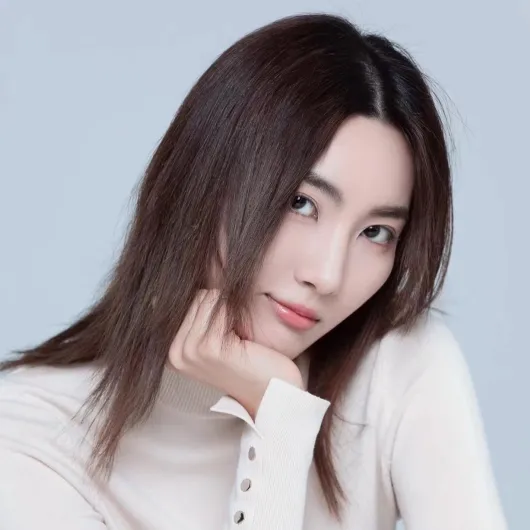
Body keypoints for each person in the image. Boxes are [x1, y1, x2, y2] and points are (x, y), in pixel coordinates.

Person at [0, 12, 507, 530]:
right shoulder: (29, 437)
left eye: (376, 232)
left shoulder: (396, 368)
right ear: (202, 180)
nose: (327, 275)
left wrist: (280, 414)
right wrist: (279, 426)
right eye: (300, 203)